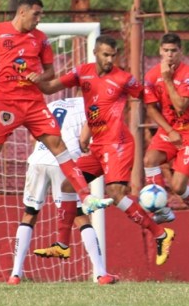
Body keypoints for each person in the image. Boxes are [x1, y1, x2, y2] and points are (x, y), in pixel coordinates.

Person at [34, 35, 175, 268]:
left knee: (116, 193)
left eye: (113, 55)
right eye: (106, 55)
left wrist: (167, 114)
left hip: (118, 144)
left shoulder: (123, 79)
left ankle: (160, 234)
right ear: (95, 53)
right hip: (98, 145)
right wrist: (31, 79)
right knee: (68, 185)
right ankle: (62, 245)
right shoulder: (82, 72)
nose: (110, 60)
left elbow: (147, 98)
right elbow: (50, 88)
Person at [0, 0, 111, 215]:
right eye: (36, 14)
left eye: (41, 15)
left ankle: (85, 196)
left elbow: (50, 71)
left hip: (34, 104)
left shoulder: (41, 39)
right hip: (7, 102)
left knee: (58, 146)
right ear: (22, 12)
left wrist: (40, 77)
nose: (39, 19)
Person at [7, 97, 115, 285]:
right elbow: (86, 137)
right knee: (80, 215)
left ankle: (15, 274)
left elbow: (34, 135)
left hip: (38, 158)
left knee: (30, 214)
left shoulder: (53, 104)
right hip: (64, 160)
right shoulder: (92, 105)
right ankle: (100, 273)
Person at [142, 33, 189, 238]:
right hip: (169, 130)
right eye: (166, 51)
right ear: (160, 51)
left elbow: (180, 106)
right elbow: (151, 109)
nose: (169, 55)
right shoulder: (152, 76)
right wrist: (169, 131)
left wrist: (169, 79)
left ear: (181, 52)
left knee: (178, 187)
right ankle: (162, 209)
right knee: (149, 160)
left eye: (174, 51)